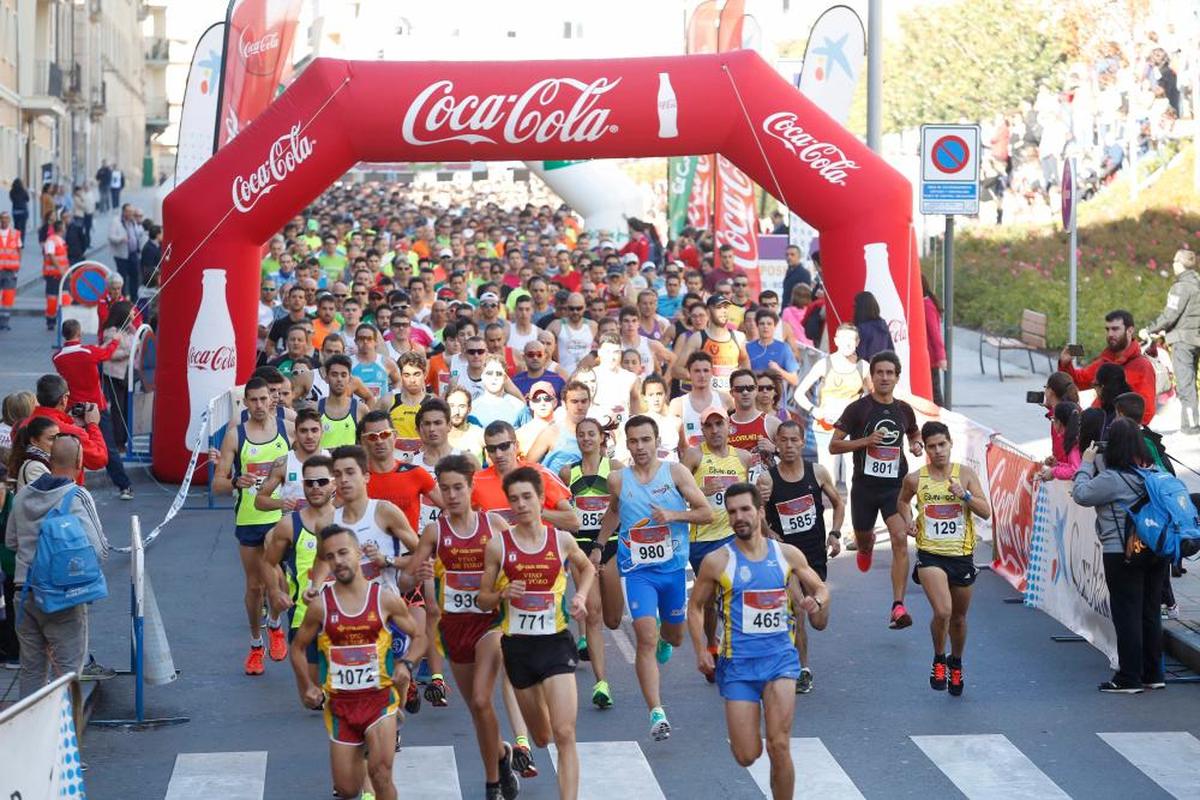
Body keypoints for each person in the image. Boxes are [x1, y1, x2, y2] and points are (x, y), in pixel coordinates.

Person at [687, 482, 829, 800]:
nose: (739, 517)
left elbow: (821, 588)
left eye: (745, 509)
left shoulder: (787, 554)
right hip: (737, 666)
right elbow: (695, 607)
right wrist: (701, 649)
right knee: (746, 755)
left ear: (759, 511)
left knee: (779, 744)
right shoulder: (717, 561)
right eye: (733, 511)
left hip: (780, 660)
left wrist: (816, 602)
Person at [403, 455, 523, 800]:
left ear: (472, 487)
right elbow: (406, 576)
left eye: (459, 487)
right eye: (445, 489)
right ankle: (502, 755)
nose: (452, 495)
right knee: (477, 709)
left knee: (484, 699)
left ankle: (492, 785)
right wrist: (419, 574)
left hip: (491, 624)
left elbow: (520, 562)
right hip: (455, 629)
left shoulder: (494, 527)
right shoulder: (435, 531)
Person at [477, 466, 595, 800]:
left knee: (565, 732)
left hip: (556, 644)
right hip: (518, 649)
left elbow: (586, 569)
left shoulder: (561, 540)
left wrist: (581, 595)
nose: (521, 504)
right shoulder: (499, 547)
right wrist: (501, 595)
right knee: (542, 737)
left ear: (542, 499)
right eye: (514, 499)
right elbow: (483, 600)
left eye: (527, 497)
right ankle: (514, 752)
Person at [596, 415, 713, 741]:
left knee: (673, 638)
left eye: (645, 440)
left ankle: (667, 638)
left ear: (656, 441)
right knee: (644, 637)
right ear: (627, 444)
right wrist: (599, 545)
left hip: (672, 569)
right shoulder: (618, 480)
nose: (640, 447)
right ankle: (656, 712)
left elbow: (707, 512)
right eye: (633, 441)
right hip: (638, 570)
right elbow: (615, 511)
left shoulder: (675, 473)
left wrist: (674, 515)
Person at [288, 524, 419, 800]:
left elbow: (420, 635)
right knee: (347, 789)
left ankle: (386, 732)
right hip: (340, 705)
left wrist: (406, 663)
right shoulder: (321, 606)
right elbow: (298, 648)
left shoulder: (384, 598)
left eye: (343, 553)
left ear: (358, 553)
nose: (338, 561)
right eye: (330, 556)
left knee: (381, 775)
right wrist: (306, 687)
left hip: (379, 700)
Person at [5, 435, 108, 698]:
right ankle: (67, 735)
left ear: (50, 461)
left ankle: (30, 734)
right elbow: (99, 549)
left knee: (31, 670)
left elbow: (11, 541)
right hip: (63, 598)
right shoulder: (77, 496)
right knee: (69, 673)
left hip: (24, 592)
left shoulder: (24, 494)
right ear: (80, 462)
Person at [1071, 417, 1166, 693]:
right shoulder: (1154, 472)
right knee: (1149, 613)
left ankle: (1128, 678)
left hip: (1122, 553)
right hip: (1156, 551)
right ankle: (1153, 674)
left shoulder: (1113, 478)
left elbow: (1081, 494)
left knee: (1127, 614)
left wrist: (1087, 462)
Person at [896, 422, 991, 697]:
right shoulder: (916, 479)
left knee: (959, 619)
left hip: (961, 556)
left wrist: (966, 495)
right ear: (924, 449)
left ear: (950, 444)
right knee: (943, 612)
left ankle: (956, 662)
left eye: (942, 445)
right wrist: (908, 520)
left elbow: (985, 512)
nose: (938, 451)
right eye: (932, 446)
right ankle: (939, 657)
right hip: (931, 555)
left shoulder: (966, 474)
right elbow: (902, 501)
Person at [830, 351, 923, 629]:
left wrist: (916, 444)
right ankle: (865, 547)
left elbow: (913, 432)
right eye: (879, 372)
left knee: (898, 538)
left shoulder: (904, 409)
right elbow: (834, 445)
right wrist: (865, 441)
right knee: (865, 538)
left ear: (897, 377)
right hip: (864, 488)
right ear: (871, 377)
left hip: (896, 486)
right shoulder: (858, 409)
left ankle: (898, 605)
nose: (884, 377)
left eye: (889, 373)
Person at [214, 377, 295, 674]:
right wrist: (236, 481)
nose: (260, 405)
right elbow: (217, 484)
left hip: (279, 518)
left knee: (279, 580)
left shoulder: (288, 430)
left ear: (271, 400)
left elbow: (307, 463)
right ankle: (255, 642)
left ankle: (275, 625)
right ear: (246, 403)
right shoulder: (236, 436)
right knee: (254, 587)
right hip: (248, 518)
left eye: (264, 399)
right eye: (254, 400)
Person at [758, 420, 843, 693]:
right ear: (777, 443)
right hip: (785, 558)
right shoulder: (767, 478)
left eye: (794, 440)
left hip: (814, 555)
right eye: (784, 440)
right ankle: (802, 669)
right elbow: (757, 514)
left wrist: (836, 533)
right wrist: (769, 532)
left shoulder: (817, 472)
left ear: (802, 441)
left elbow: (839, 502)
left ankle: (819, 604)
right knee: (796, 611)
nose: (789, 446)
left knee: (818, 621)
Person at [681, 405, 750, 673]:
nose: (714, 430)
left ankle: (737, 649)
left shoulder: (743, 458)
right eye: (708, 426)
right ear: (702, 430)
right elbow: (676, 492)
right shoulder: (694, 456)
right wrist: (699, 490)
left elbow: (752, 496)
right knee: (709, 602)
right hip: (703, 542)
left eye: (719, 424)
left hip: (734, 537)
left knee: (734, 594)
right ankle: (712, 642)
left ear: (728, 426)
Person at [259, 453, 337, 684]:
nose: (315, 488)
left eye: (322, 482)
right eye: (309, 483)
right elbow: (267, 562)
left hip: (346, 612)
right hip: (305, 615)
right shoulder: (289, 525)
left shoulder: (349, 519)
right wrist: (275, 592)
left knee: (343, 689)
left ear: (333, 483)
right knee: (315, 691)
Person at [559, 417, 616, 709]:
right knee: (593, 614)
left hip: (612, 546)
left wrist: (602, 544)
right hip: (582, 550)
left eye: (591, 434)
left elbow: (621, 509)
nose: (586, 439)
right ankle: (601, 683)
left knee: (614, 618)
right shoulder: (568, 472)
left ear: (601, 438)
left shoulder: (615, 470)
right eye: (581, 434)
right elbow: (564, 514)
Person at [795, 324, 871, 499]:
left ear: (857, 342)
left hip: (853, 428)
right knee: (828, 474)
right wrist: (815, 411)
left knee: (854, 472)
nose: (847, 343)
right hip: (826, 426)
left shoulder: (863, 367)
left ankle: (854, 517)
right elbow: (799, 393)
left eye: (851, 339)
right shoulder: (824, 364)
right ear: (836, 340)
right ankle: (832, 514)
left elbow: (871, 397)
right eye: (843, 339)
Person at [1058, 309, 1156, 425]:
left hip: (1117, 435)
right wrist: (1065, 364)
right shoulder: (1106, 360)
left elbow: (1146, 413)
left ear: (1130, 331)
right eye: (1107, 329)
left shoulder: (1142, 366)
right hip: (1097, 431)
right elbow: (1079, 382)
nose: (1110, 334)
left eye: (1115, 329)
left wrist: (1117, 430)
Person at [1141, 249, 1200, 433]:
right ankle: (1192, 422)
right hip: (1195, 338)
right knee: (1190, 383)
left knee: (1185, 384)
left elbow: (1170, 315)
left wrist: (1150, 329)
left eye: (1174, 261)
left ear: (1180, 263)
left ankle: (1190, 427)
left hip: (1182, 340)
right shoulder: (1197, 282)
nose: (1173, 264)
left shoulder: (1181, 287)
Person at [20, 374, 107, 480]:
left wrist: (69, 421)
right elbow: (99, 460)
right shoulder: (72, 433)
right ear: (64, 399)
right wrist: (93, 425)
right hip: (63, 491)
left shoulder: (23, 423)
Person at [674, 293, 749, 393]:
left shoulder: (739, 337)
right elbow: (676, 370)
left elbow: (745, 364)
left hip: (729, 401)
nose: (723, 311)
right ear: (708, 312)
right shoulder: (697, 338)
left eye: (726, 307)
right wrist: (700, 377)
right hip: (705, 400)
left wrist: (740, 381)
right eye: (719, 308)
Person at [669, 352, 733, 450]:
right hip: (689, 462)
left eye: (706, 370)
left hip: (720, 461)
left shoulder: (725, 399)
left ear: (712, 372)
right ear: (689, 373)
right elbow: (672, 440)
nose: (702, 375)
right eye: (697, 371)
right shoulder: (677, 404)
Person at [316, 355, 365, 450]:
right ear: (326, 378)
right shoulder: (315, 409)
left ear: (349, 378)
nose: (339, 379)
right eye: (334, 374)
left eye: (343, 375)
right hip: (323, 463)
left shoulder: (360, 409)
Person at [547, 293, 597, 378]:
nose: (575, 312)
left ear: (585, 307)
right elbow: (542, 344)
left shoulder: (593, 326)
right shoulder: (556, 325)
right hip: (564, 376)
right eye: (572, 308)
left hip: (587, 377)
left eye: (579, 308)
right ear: (567, 307)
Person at [922, 275, 948, 407]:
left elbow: (935, 333)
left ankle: (942, 419)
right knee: (934, 389)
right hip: (929, 356)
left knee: (935, 391)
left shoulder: (926, 305)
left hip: (930, 357)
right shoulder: (927, 303)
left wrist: (941, 356)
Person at [1040, 402, 1082, 481]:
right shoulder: (1074, 438)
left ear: (1058, 422)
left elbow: (1075, 471)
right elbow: (1074, 466)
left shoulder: (1074, 443)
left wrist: (1053, 472)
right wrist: (1057, 465)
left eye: (1053, 419)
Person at [852, 291, 894, 361]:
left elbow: (860, 356)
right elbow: (891, 351)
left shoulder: (862, 329)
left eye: (855, 306)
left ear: (860, 308)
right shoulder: (883, 324)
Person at [42, 219, 68, 329]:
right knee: (52, 298)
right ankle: (51, 321)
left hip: (61, 274)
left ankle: (64, 319)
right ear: (61, 228)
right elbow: (51, 256)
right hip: (53, 275)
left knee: (65, 296)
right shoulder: (51, 240)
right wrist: (61, 269)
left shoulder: (60, 240)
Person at [0, 209, 22, 331]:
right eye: (2, 218)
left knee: (8, 297)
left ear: (9, 220)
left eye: (6, 218)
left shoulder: (15, 234)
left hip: (10, 271)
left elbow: (19, 250)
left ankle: (5, 322)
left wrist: (18, 265)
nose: (4, 220)